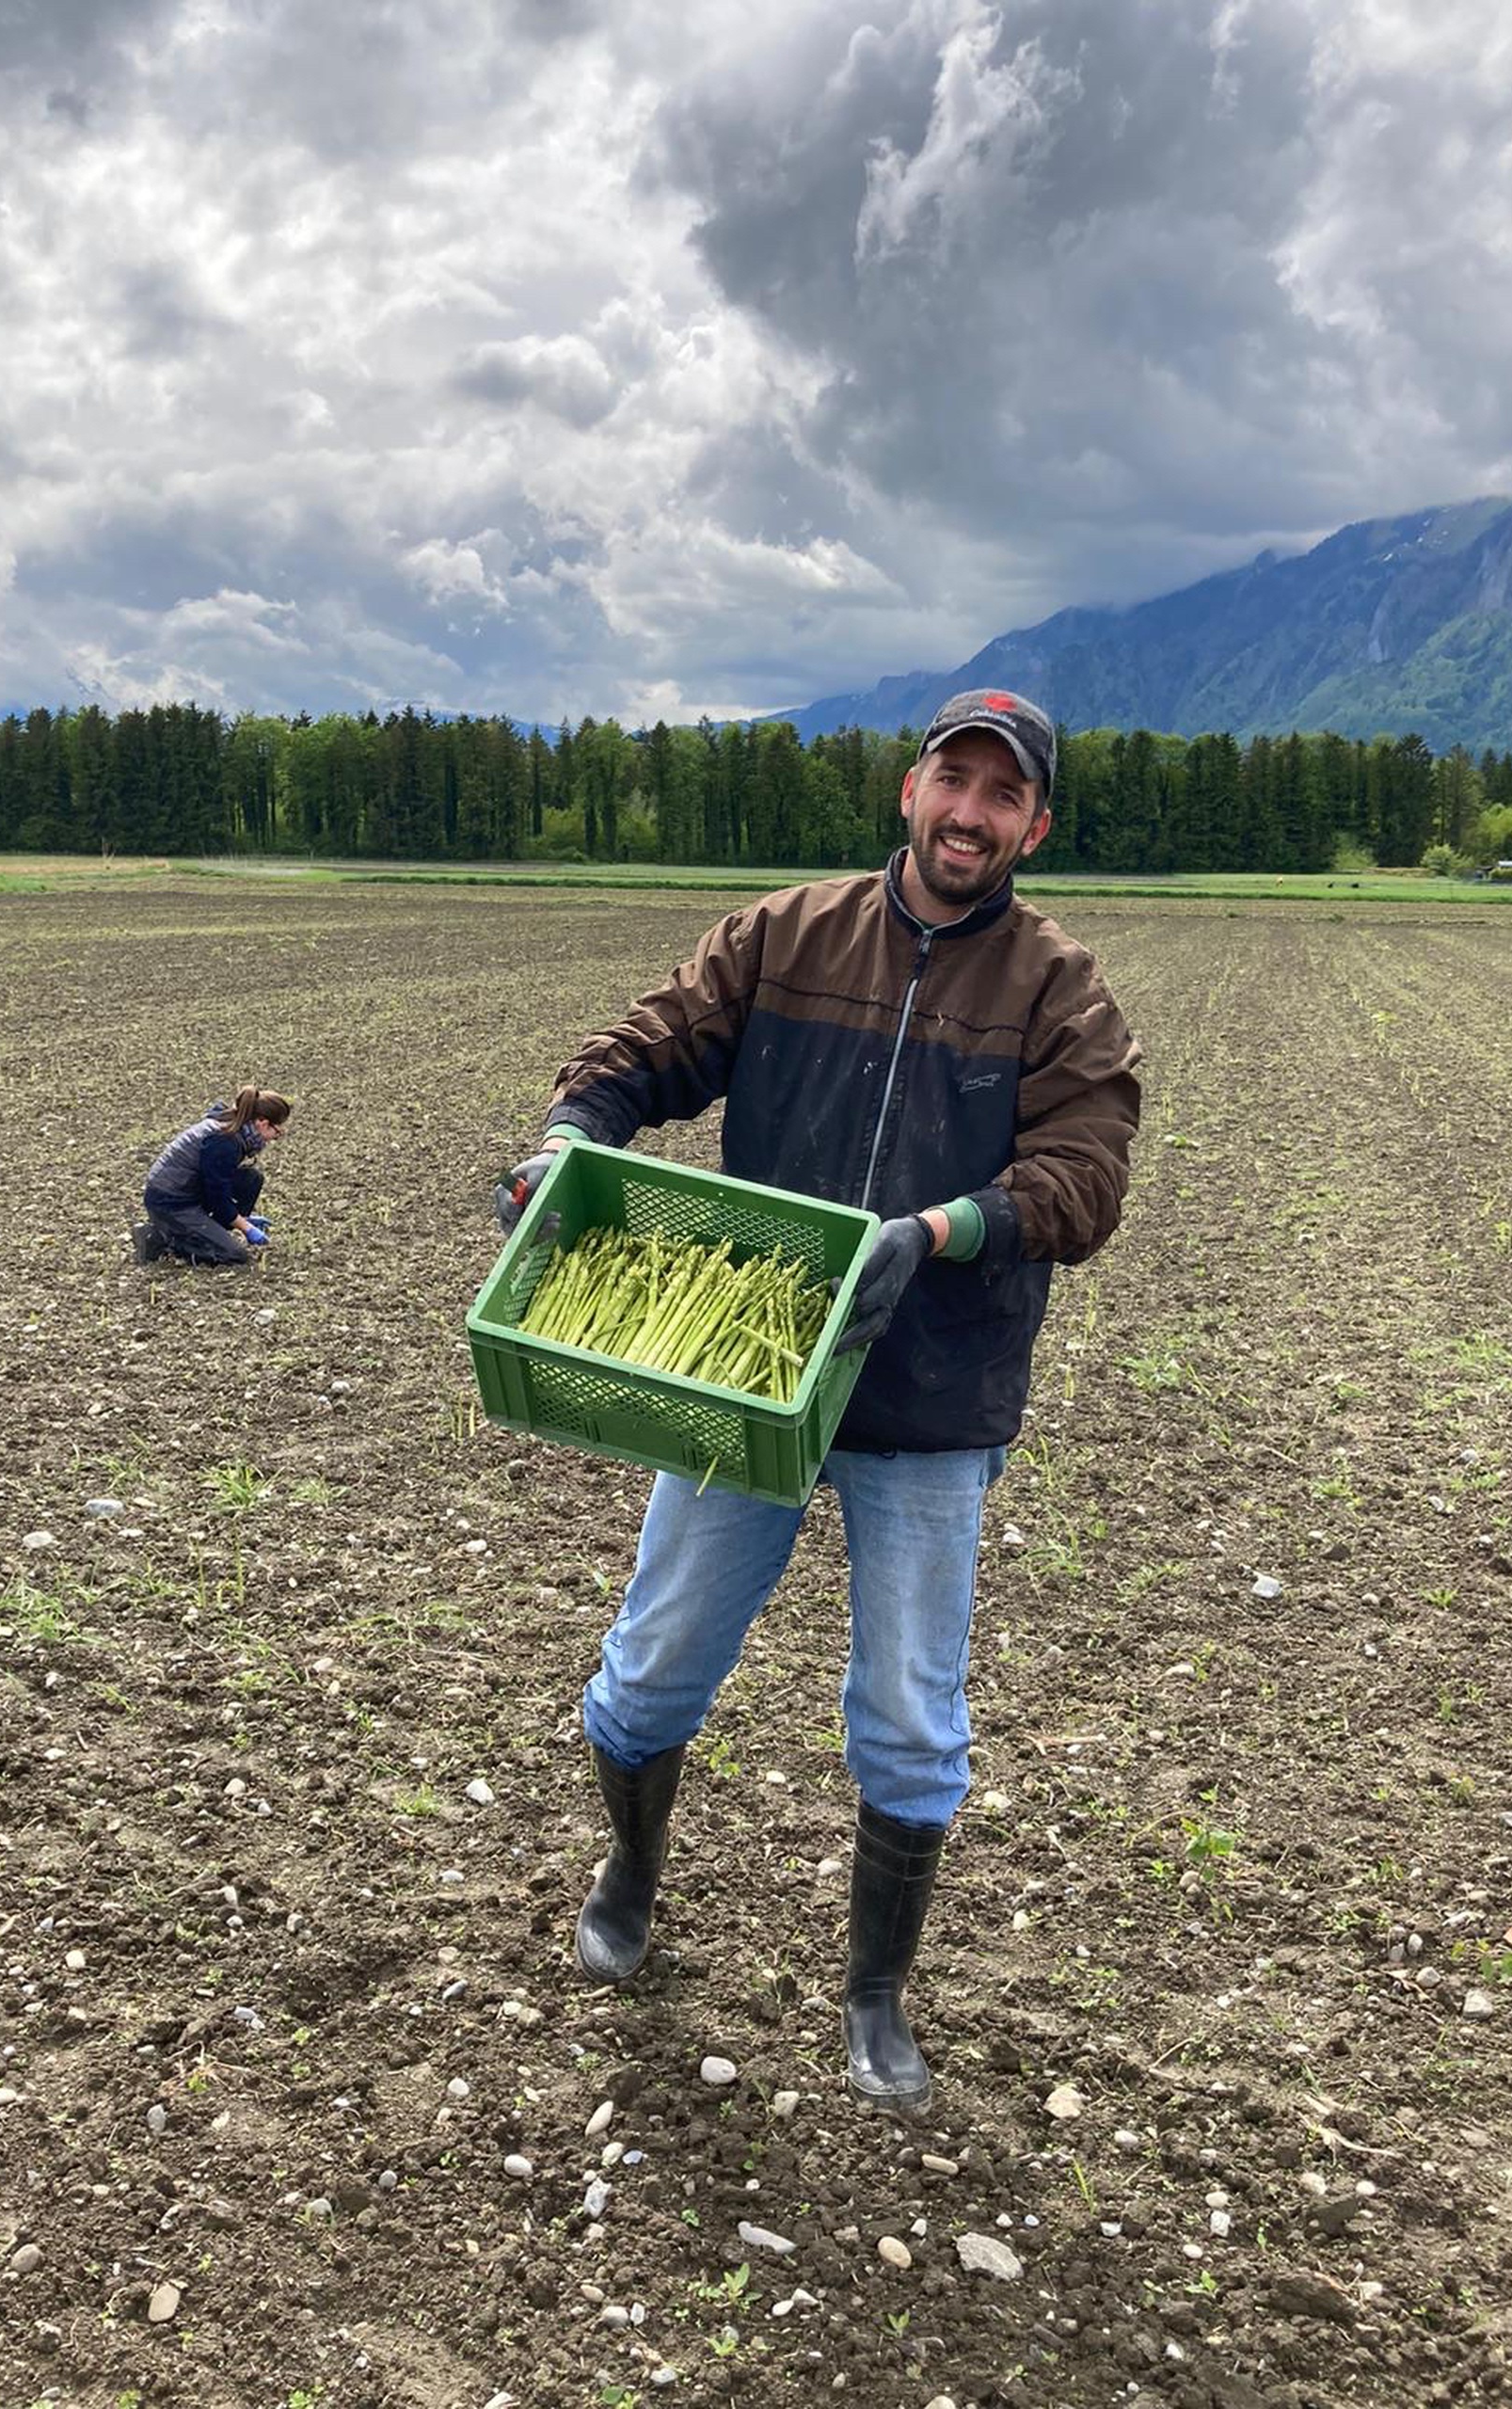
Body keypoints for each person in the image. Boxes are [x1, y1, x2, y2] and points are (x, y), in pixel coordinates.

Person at [496, 688, 1141, 2114]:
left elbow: (1086, 1171)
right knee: (656, 1659)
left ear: (1034, 825)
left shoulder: (1055, 985)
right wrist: (568, 1143)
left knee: (910, 1718)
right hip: (749, 1366)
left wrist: (936, 1233)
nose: (969, 814)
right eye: (951, 782)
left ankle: (874, 1993)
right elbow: (636, 1055)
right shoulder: (786, 935)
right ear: (910, 793)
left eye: (1000, 797)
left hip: (929, 1392)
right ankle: (630, 1873)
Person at [135, 1086, 292, 1266]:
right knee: (234, 1255)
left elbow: (218, 1185)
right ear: (263, 1123)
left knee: (251, 1180)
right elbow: (218, 1196)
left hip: (189, 1190)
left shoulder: (232, 1124)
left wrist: (241, 1218)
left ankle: (203, 1232)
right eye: (277, 1132)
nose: (273, 1138)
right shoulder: (224, 1141)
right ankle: (159, 1239)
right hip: (170, 1201)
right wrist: (245, 1226)